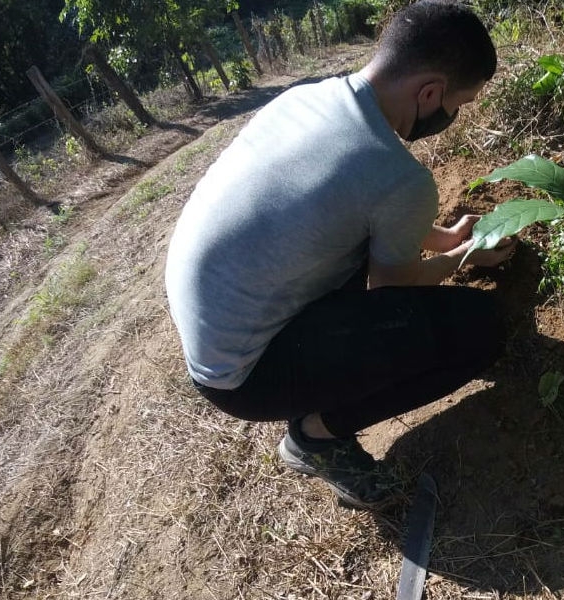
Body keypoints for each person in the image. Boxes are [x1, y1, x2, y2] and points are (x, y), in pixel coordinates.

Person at [164, 0, 512, 509]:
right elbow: (392, 293)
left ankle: (316, 393)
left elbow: (360, 207)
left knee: (355, 258)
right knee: (483, 328)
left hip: (216, 335)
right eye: (459, 104)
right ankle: (315, 436)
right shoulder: (397, 175)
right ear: (431, 92)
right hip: (247, 375)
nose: (452, 116)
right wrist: (462, 258)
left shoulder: (306, 99)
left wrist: (448, 237)